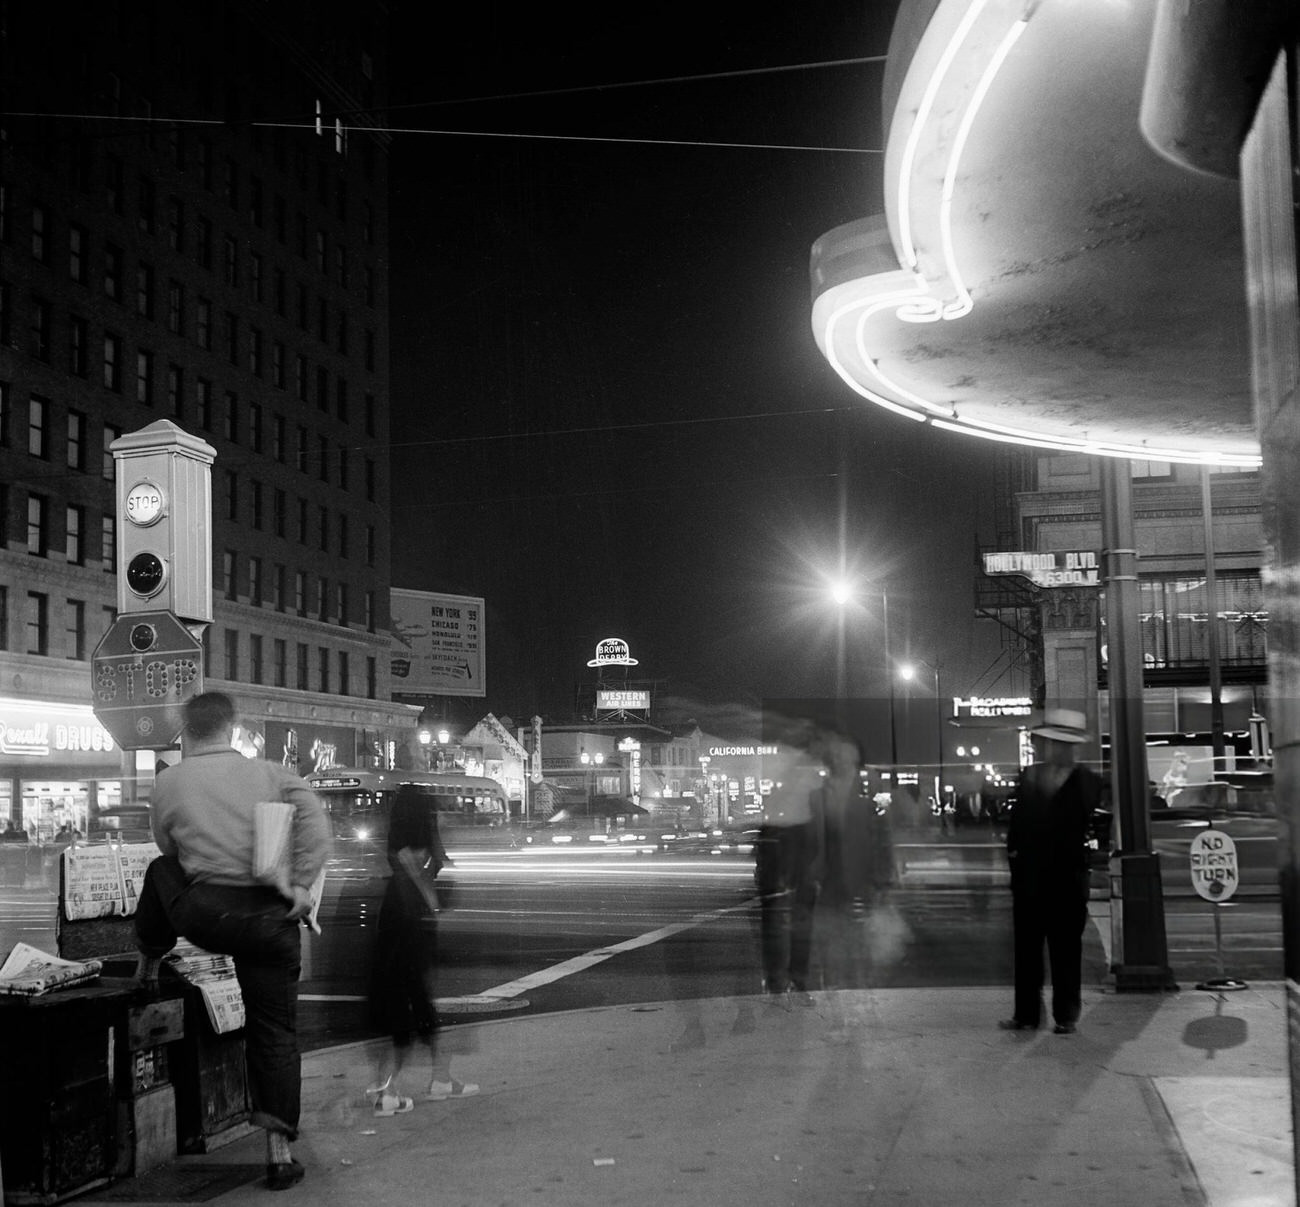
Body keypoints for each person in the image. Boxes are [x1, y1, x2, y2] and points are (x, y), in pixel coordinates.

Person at [133, 691, 330, 1191]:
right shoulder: (270, 774)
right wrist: (301, 886)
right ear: (230, 727)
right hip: (270, 917)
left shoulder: (168, 781)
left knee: (159, 870)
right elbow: (316, 826)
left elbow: (167, 849)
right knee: (275, 1034)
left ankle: (149, 962)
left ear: (186, 729)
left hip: (206, 915)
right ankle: (279, 1155)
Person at [367, 782, 477, 1113]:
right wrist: (432, 901)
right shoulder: (415, 854)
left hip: (399, 927)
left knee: (415, 1004)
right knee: (411, 1005)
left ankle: (437, 1078)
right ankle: (387, 1090)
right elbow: (425, 885)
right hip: (410, 930)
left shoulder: (402, 845)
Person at [999, 708, 1101, 1036]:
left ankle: (1065, 1016)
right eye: (1051, 743)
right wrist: (1016, 866)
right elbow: (1016, 829)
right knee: (1027, 953)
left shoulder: (1089, 782)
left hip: (1067, 883)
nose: (1054, 749)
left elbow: (1091, 831)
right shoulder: (1029, 776)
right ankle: (1027, 1014)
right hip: (1031, 882)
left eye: (1060, 744)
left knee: (1066, 952)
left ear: (1072, 747)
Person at [755, 732, 826, 1004]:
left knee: (785, 928)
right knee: (791, 928)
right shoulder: (800, 800)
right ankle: (787, 981)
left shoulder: (786, 799)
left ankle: (784, 981)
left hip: (789, 870)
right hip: (787, 870)